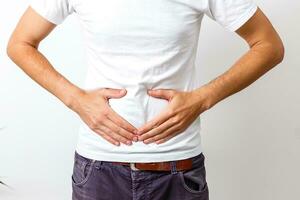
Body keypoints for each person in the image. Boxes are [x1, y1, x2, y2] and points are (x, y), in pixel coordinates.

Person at [6, 0, 284, 199]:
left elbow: (268, 45)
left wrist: (203, 98)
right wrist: (76, 99)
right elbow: (20, 43)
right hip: (99, 167)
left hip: (178, 168)